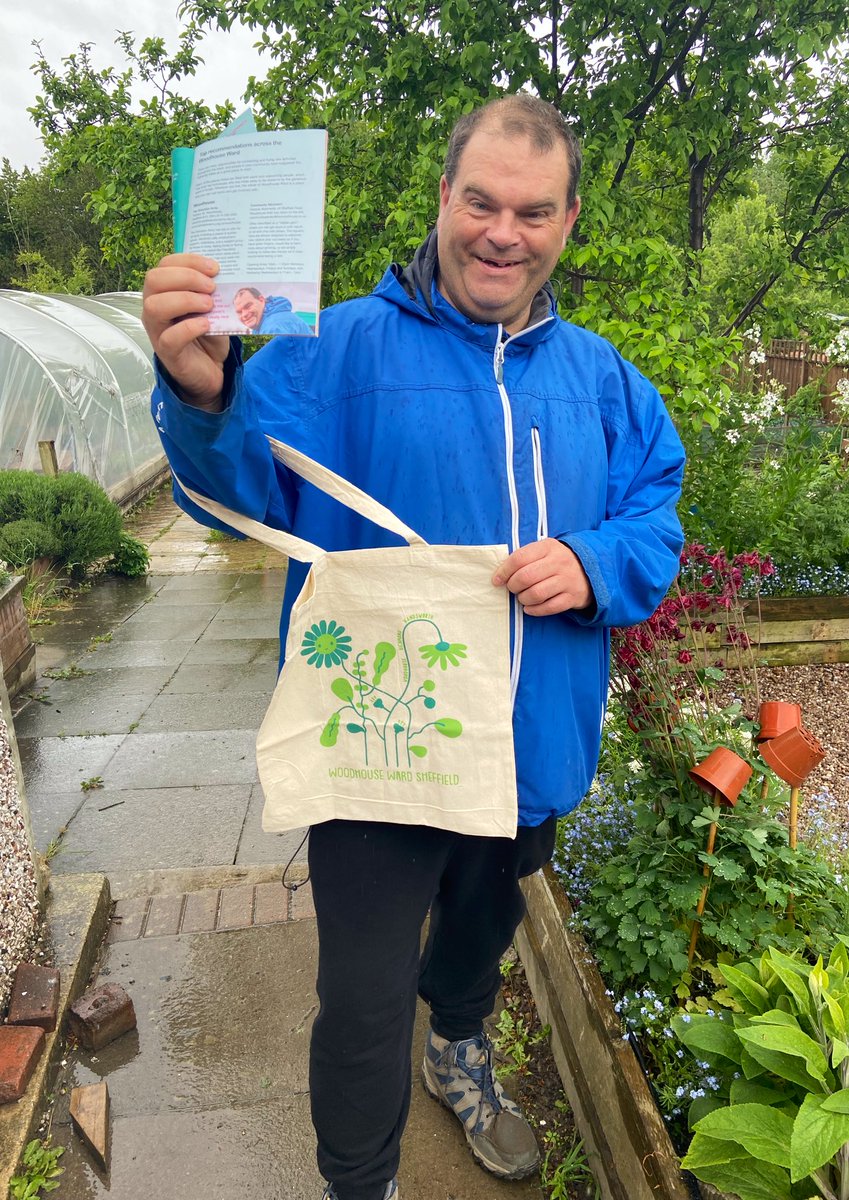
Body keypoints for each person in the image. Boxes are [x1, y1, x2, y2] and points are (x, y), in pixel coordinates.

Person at [142, 94, 685, 1200]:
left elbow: (657, 511)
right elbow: (233, 487)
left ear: (566, 223)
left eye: (531, 212)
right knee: (360, 1000)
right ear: (444, 199)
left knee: (479, 940)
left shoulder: (603, 380)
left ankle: (460, 1048)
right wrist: (201, 391)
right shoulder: (335, 350)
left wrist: (594, 561)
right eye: (480, 201)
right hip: (377, 762)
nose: (502, 231)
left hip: (531, 756)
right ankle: (362, 1183)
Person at [233, 285, 315, 335]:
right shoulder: (266, 321)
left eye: (248, 306)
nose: (244, 314)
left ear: (261, 300)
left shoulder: (273, 326)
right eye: (239, 312)